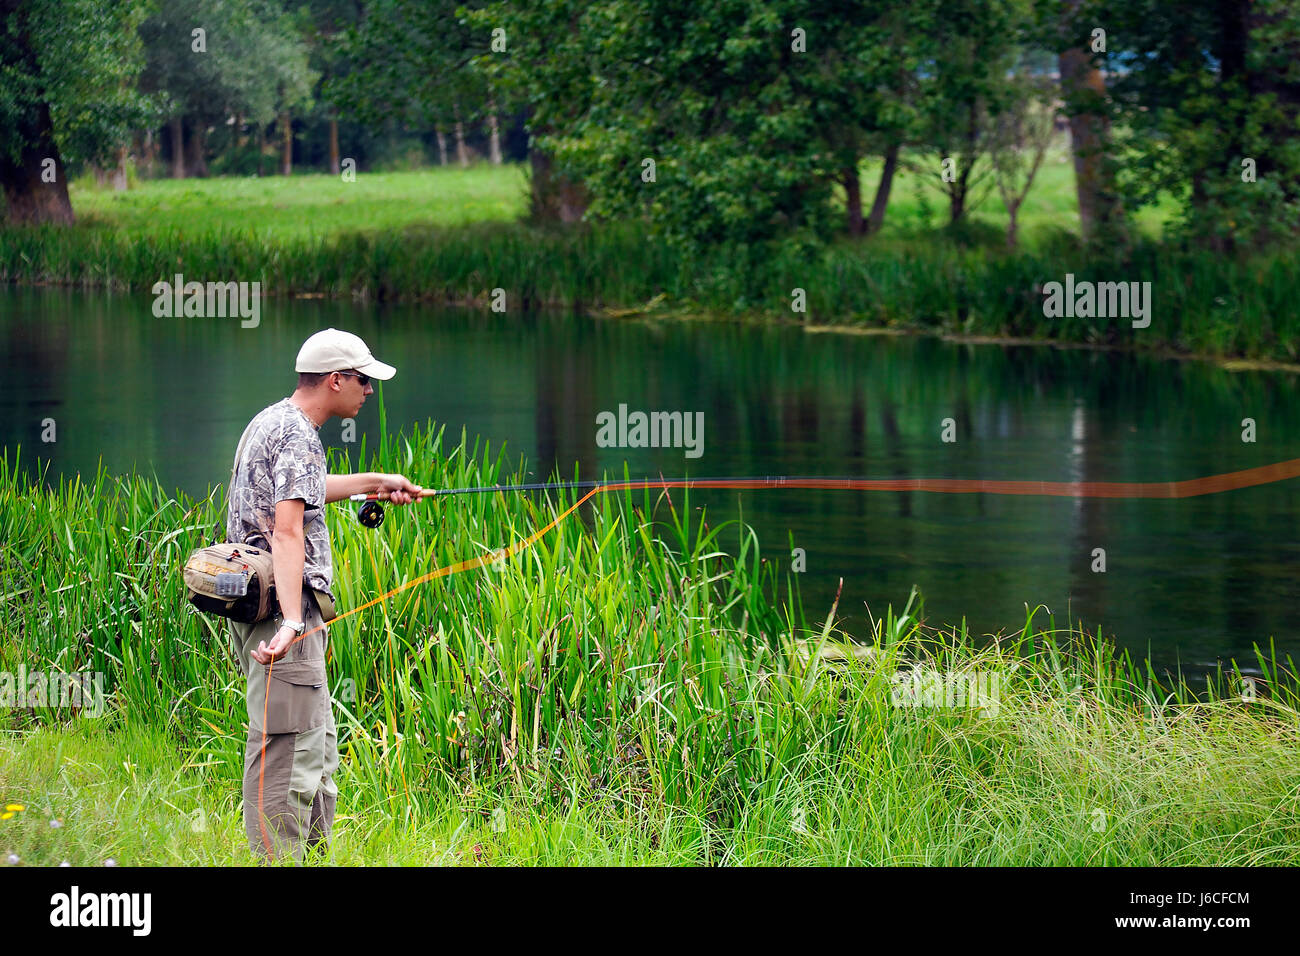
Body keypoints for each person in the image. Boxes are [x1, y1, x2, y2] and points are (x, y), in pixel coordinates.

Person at [226, 328, 421, 862]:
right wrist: (292, 620)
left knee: (315, 749)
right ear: (335, 380)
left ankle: (308, 857)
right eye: (363, 380)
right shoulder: (296, 434)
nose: (369, 391)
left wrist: (376, 481)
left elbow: (306, 488)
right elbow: (287, 530)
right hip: (282, 617)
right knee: (287, 751)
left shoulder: (274, 421)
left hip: (270, 611)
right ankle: (278, 861)